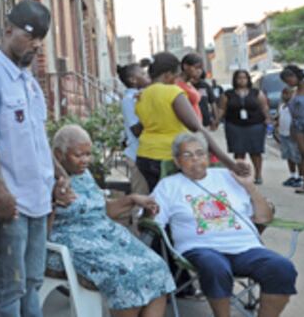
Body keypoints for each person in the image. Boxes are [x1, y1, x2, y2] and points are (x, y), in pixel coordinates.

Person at [0, 0, 60, 317]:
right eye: (30, 37)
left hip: (39, 198)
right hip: (11, 202)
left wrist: (58, 176)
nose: (35, 45)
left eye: (39, 40)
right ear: (7, 30)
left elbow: (37, 138)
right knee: (10, 287)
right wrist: (1, 194)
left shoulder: (28, 81)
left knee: (32, 281)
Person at [150, 133, 298, 317]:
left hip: (245, 249)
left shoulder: (228, 177)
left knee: (282, 268)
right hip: (200, 249)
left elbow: (264, 218)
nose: (195, 159)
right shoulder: (168, 186)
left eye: (200, 153)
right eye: (187, 155)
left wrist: (249, 186)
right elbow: (152, 220)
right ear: (177, 161)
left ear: (208, 157)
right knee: (215, 267)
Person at [47, 125, 175, 317]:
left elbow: (103, 209)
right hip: (73, 242)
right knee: (125, 276)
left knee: (156, 266)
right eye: (78, 155)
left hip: (107, 237)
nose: (86, 160)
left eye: (88, 154)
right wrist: (53, 202)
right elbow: (40, 226)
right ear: (59, 154)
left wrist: (133, 199)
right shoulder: (47, 180)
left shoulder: (85, 175)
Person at [135, 52, 247, 192]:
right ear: (168, 75)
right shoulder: (172, 92)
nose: (177, 80)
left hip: (144, 155)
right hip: (168, 159)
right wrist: (230, 163)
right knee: (179, 201)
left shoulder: (141, 95)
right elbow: (197, 128)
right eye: (176, 76)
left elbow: (143, 126)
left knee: (156, 203)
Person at [217, 70, 271, 184]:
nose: (242, 80)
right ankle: (240, 174)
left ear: (248, 79)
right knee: (239, 151)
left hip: (255, 125)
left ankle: (258, 175)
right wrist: (216, 120)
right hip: (235, 126)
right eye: (239, 78)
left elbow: (264, 106)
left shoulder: (256, 93)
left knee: (256, 151)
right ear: (235, 80)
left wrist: (267, 118)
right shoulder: (228, 94)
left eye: (244, 78)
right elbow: (222, 108)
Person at [117, 62, 151, 194]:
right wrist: (151, 114)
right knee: (140, 193)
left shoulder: (141, 95)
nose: (147, 76)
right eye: (142, 74)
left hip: (144, 152)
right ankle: (135, 214)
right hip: (135, 154)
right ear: (133, 79)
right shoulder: (129, 99)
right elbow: (136, 130)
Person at [280, 65, 304, 194]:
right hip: (297, 125)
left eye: (289, 78)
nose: (288, 82)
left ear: (296, 75)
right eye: (286, 81)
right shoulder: (294, 91)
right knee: (303, 155)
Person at [274, 87, 302, 188]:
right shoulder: (281, 106)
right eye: (284, 93)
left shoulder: (295, 106)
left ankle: (301, 177)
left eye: (289, 93)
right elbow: (279, 118)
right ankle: (292, 175)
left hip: (294, 135)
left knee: (297, 157)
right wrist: (276, 127)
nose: (286, 96)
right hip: (283, 134)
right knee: (289, 156)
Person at [178, 53, 204, 121]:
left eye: (200, 68)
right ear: (185, 66)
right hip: (187, 127)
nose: (199, 71)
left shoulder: (188, 83)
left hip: (196, 126)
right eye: (196, 67)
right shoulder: (177, 85)